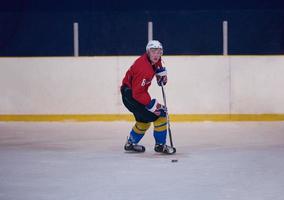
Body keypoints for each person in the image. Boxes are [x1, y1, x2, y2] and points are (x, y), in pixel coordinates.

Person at [120, 40, 176, 154]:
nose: (156, 54)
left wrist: (161, 75)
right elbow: (138, 93)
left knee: (144, 121)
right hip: (132, 96)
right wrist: (153, 106)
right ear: (148, 52)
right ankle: (160, 145)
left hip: (130, 94)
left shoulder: (152, 59)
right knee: (161, 115)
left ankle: (131, 143)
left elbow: (158, 64)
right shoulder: (143, 68)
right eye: (153, 51)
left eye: (159, 51)